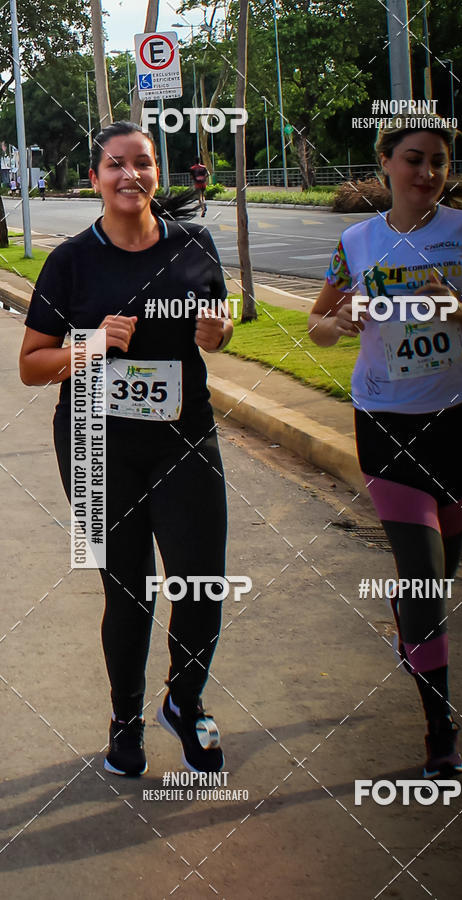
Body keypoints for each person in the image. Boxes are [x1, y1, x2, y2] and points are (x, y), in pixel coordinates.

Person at [308, 117, 462, 778]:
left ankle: (410, 620)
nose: (426, 174)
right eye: (412, 159)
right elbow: (318, 325)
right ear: (385, 164)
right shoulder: (357, 241)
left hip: (458, 418)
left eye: (437, 161)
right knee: (427, 579)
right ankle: (441, 733)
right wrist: (340, 322)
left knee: (439, 577)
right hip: (385, 420)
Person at [20, 121, 234, 777]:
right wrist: (91, 345)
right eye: (115, 165)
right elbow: (31, 365)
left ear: (155, 173)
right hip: (93, 442)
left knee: (200, 581)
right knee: (130, 589)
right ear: (96, 179)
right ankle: (125, 720)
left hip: (184, 436)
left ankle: (186, 701)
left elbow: (216, 334)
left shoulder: (194, 245)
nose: (129, 175)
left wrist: (219, 331)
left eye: (141, 163)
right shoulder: (71, 261)